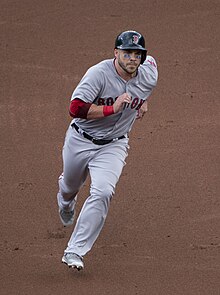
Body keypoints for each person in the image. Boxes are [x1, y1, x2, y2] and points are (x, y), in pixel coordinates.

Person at [57, 30, 158, 270]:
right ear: (116, 53)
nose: (133, 58)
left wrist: (142, 100)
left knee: (102, 192)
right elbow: (75, 108)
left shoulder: (149, 73)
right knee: (70, 187)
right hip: (80, 140)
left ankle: (75, 250)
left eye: (137, 54)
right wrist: (111, 110)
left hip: (114, 144)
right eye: (127, 53)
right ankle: (66, 202)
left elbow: (147, 76)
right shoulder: (98, 74)